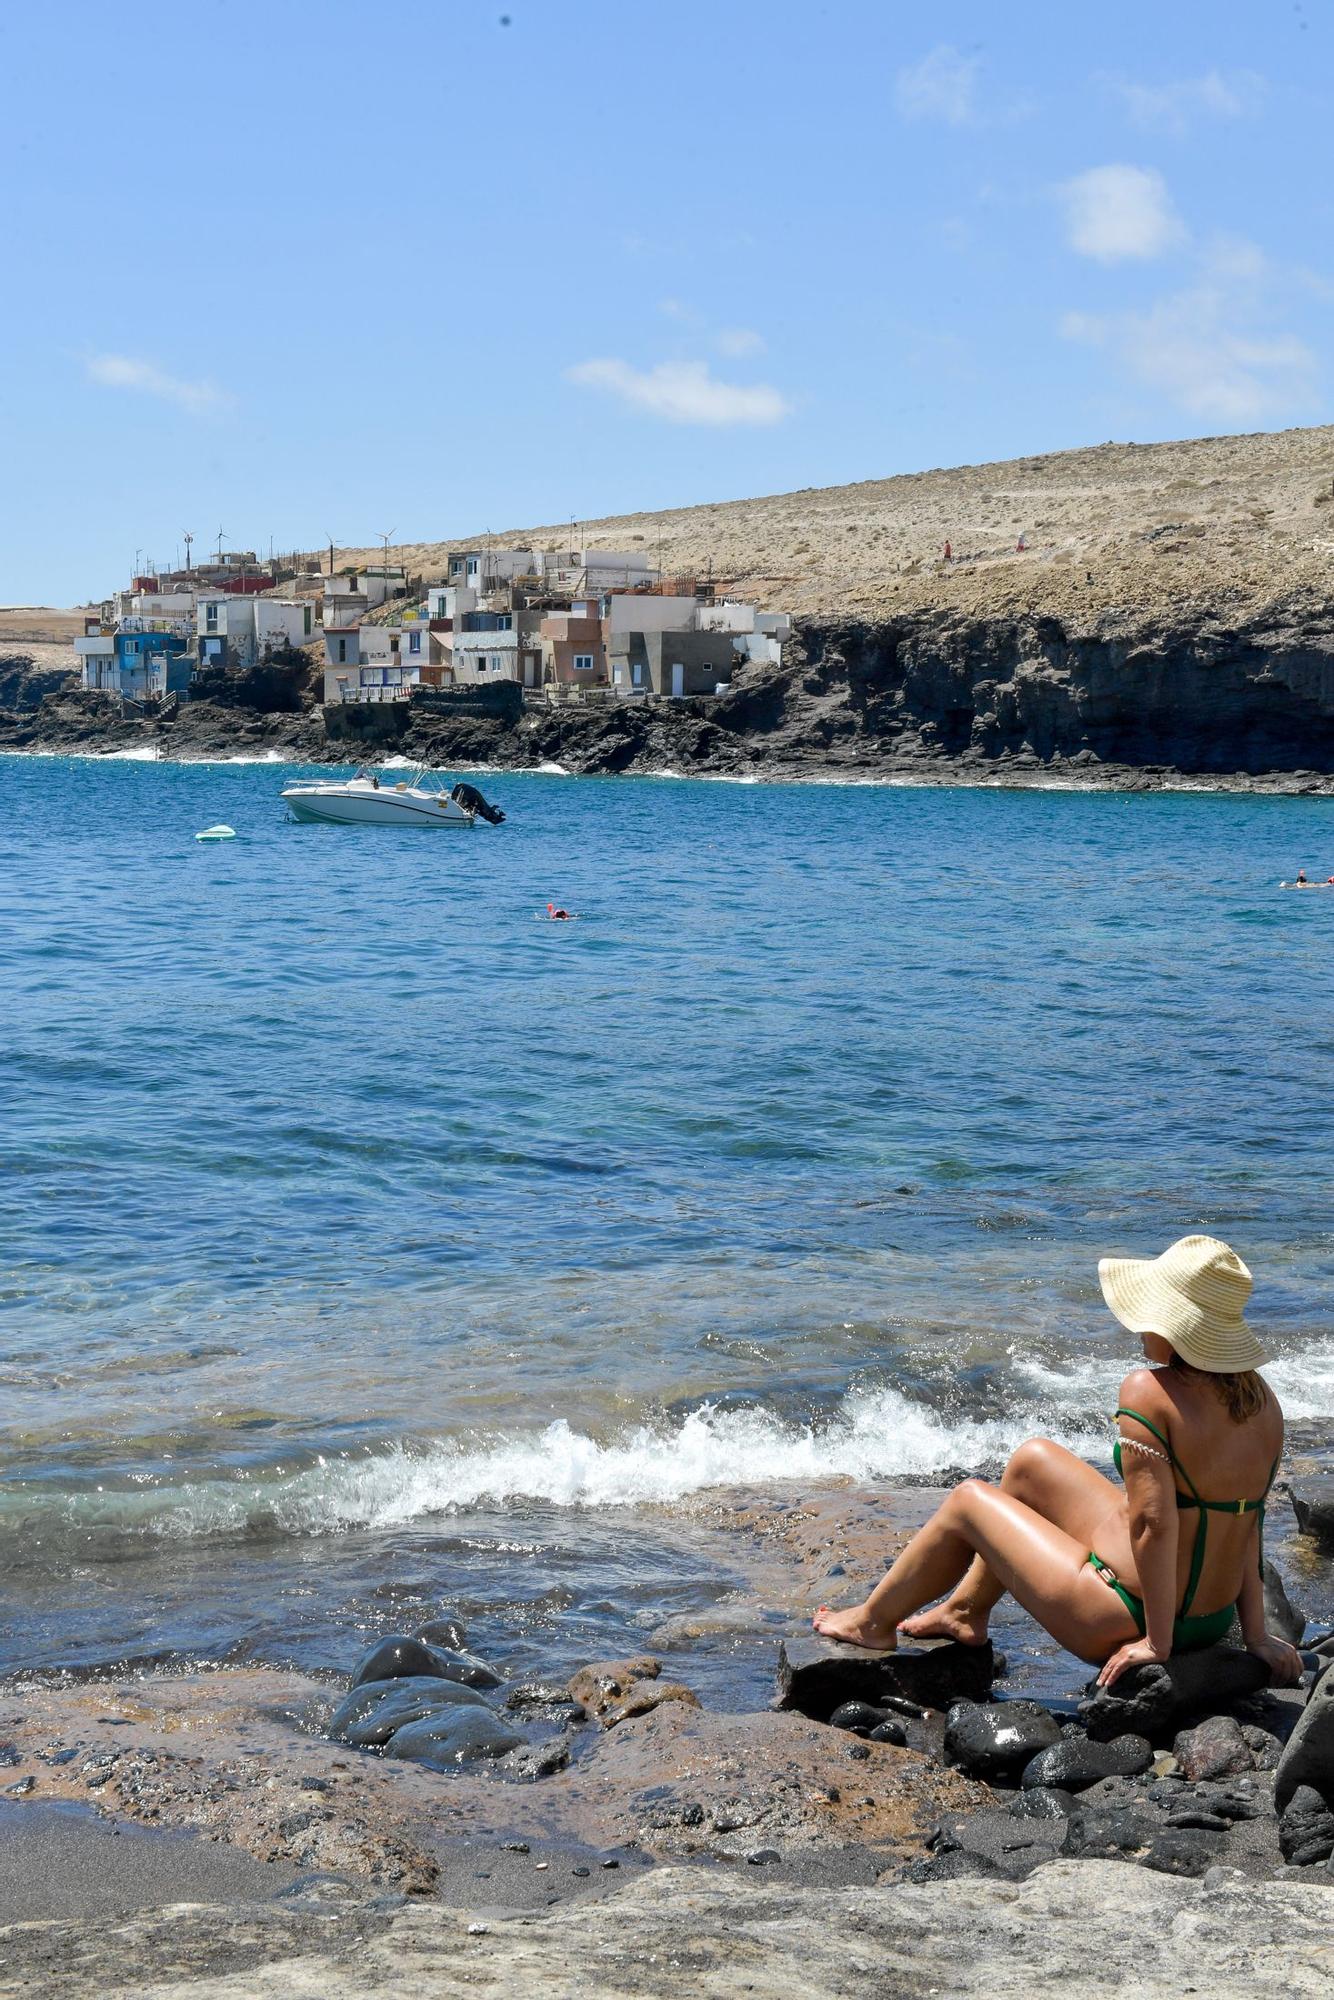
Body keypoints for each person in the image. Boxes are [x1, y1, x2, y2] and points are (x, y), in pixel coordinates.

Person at [813, 1235, 1302, 1689]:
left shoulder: (1147, 1392)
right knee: (1032, 1461)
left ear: (1177, 1328)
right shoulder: (1263, 1402)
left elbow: (1154, 1525)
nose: (1139, 1325)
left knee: (967, 1501)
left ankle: (872, 1623)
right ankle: (964, 1609)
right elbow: (1247, 1523)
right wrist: (1254, 1635)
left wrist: (1158, 1644)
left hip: (1127, 1612)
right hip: (1210, 1616)